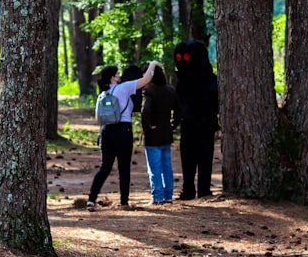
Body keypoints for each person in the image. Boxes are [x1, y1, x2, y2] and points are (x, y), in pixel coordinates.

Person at [86, 60, 159, 211]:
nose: (119, 76)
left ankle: (91, 199)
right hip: (123, 131)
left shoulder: (102, 95)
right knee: (124, 167)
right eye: (117, 74)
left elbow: (97, 118)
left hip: (106, 131)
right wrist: (153, 64)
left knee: (105, 167)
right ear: (113, 78)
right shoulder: (123, 88)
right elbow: (146, 79)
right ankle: (124, 201)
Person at [173, 40, 219, 199]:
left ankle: (192, 189)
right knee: (200, 159)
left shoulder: (183, 83)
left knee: (190, 159)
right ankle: (200, 189)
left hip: (194, 124)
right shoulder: (211, 81)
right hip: (202, 124)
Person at [141, 64, 180, 204]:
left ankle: (157, 196)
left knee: (154, 167)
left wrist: (147, 127)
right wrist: (173, 124)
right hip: (166, 133)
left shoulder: (149, 91)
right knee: (166, 166)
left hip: (153, 134)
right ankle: (168, 196)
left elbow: (145, 111)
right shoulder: (170, 89)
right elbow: (178, 109)